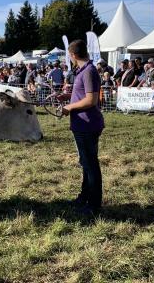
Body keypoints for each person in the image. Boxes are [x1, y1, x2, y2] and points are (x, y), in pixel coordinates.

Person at [61, 39, 104, 215]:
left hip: (87, 125)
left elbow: (91, 100)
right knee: (86, 163)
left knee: (90, 165)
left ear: (73, 55)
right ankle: (85, 196)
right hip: (81, 124)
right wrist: (67, 96)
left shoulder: (88, 71)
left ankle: (93, 204)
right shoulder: (84, 71)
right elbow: (83, 95)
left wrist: (69, 107)